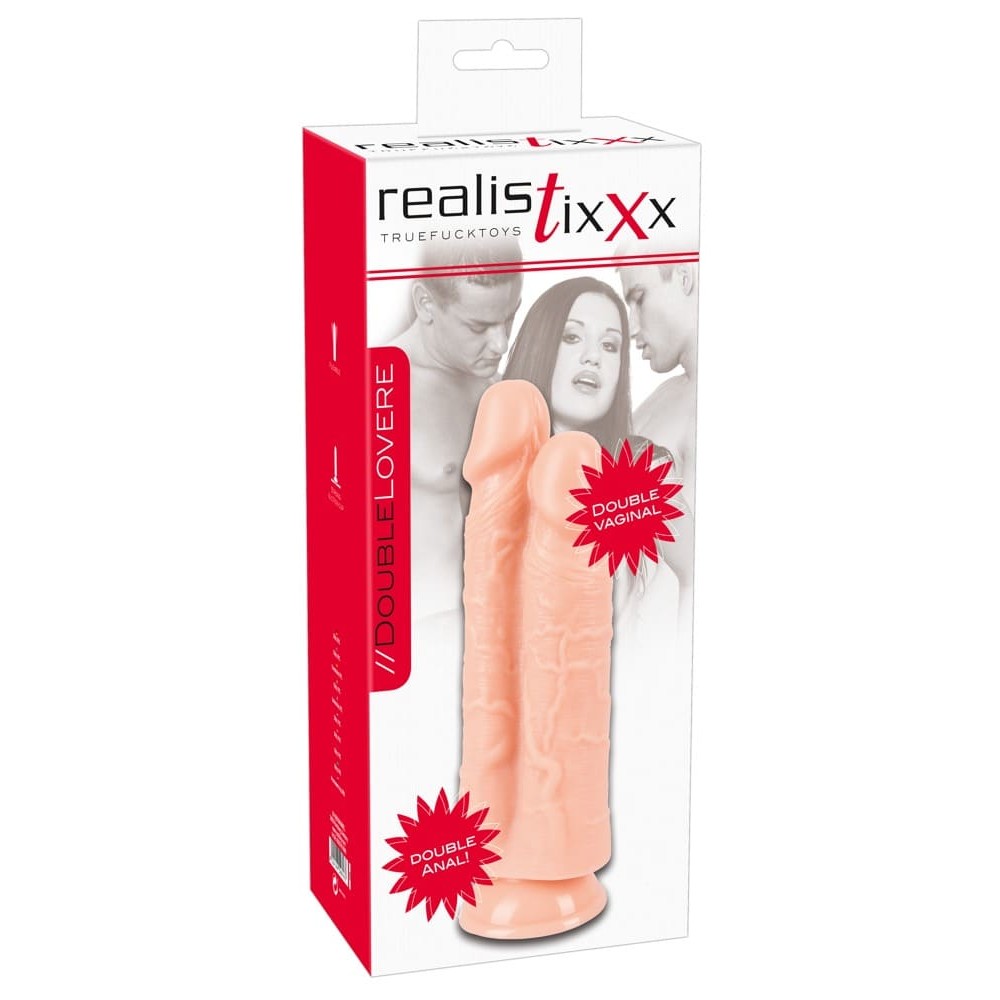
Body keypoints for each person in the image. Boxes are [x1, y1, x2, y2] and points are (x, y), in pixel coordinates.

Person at [393, 239, 524, 622]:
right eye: (478, 326)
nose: (501, 344)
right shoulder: (377, 391)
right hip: (418, 633)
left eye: (509, 318)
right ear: (425, 304)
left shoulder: (502, 388)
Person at [616, 253, 698, 597]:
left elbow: (685, 578)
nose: (632, 326)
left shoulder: (694, 411)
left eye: (639, 298)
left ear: (684, 276)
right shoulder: (664, 397)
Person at [503, 276, 632, 453]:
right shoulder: (478, 444)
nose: (593, 356)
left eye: (609, 345)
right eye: (572, 337)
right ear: (536, 348)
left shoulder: (647, 461)